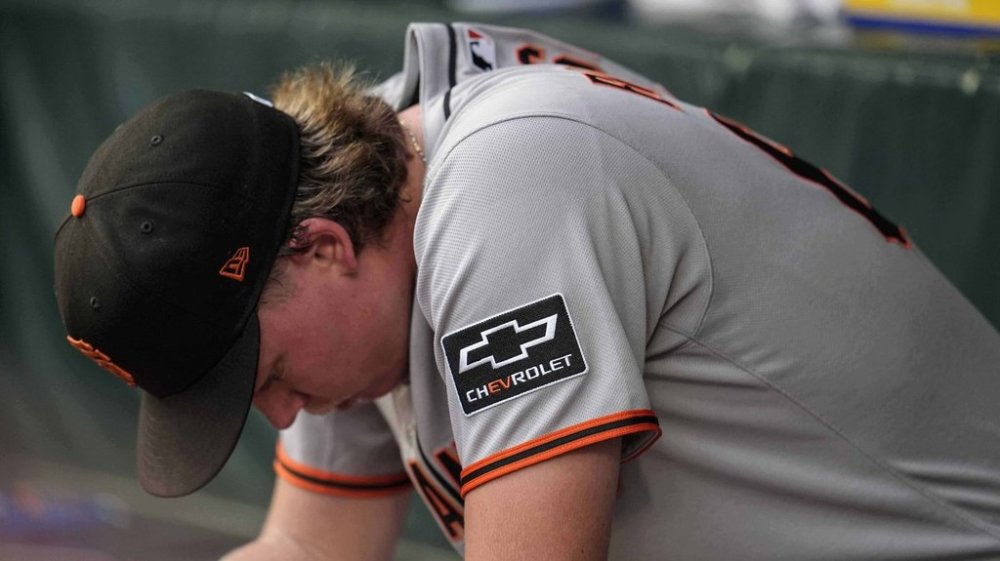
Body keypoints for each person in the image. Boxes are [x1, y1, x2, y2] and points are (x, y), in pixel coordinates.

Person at [53, 22, 1000, 561]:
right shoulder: (352, 211)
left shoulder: (506, 183)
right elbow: (311, 549)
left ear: (323, 246)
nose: (279, 410)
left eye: (266, 375)